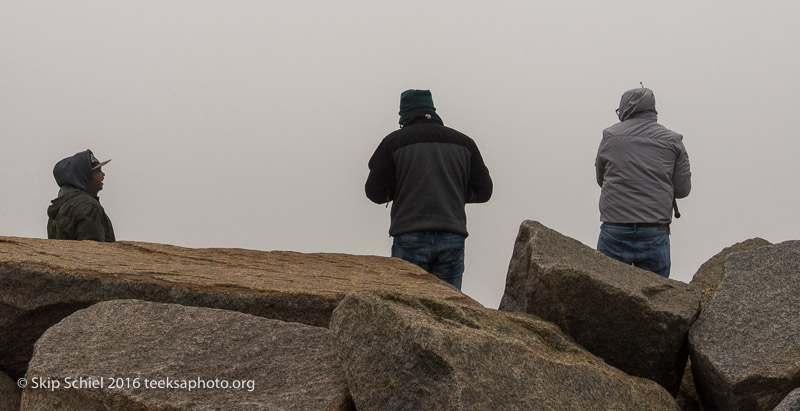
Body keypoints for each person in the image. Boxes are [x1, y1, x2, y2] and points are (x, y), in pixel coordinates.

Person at [365, 89, 493, 289]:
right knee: (449, 310)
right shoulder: (464, 143)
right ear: (432, 110)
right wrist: (452, 192)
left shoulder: (393, 142)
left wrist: (401, 189)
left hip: (409, 235)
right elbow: (484, 190)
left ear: (404, 116)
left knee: (406, 307)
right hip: (452, 235)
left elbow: (374, 192)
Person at [595, 87, 691, 278]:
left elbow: (601, 179)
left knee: (606, 293)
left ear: (624, 110)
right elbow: (682, 189)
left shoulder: (610, 137)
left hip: (614, 227)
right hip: (654, 229)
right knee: (656, 297)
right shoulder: (673, 140)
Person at [47, 149, 116, 242]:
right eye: (98, 170)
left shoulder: (58, 208)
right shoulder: (86, 205)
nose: (103, 174)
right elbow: (93, 249)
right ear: (86, 175)